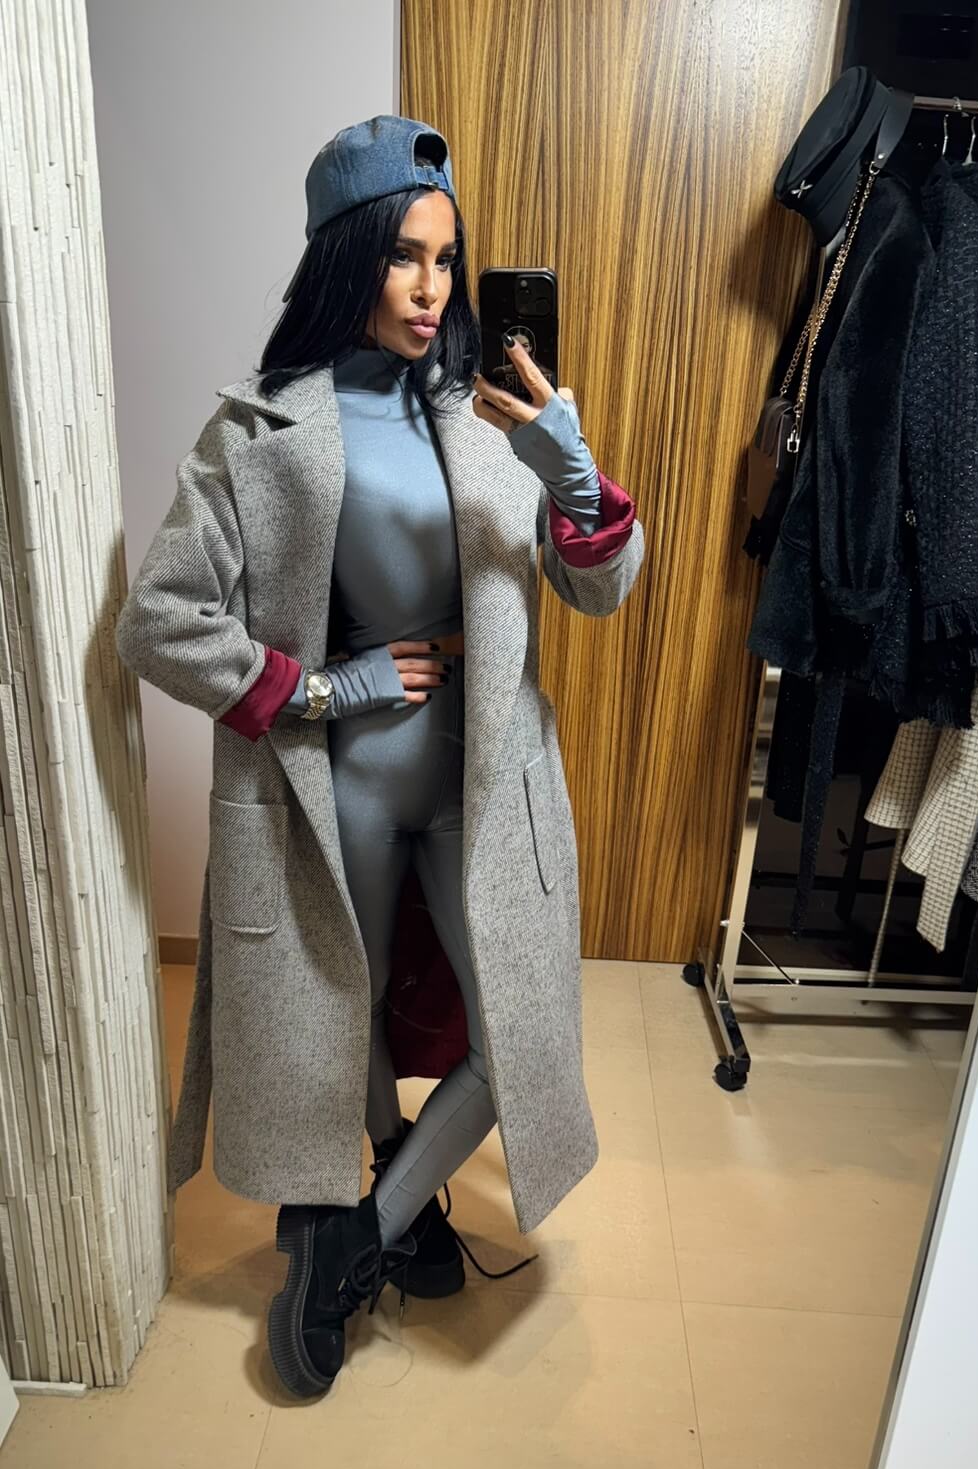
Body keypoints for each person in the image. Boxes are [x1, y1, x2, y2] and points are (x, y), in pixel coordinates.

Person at [115, 115, 644, 1400]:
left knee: (515, 1033)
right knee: (336, 1004)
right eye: (403, 256)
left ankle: (356, 1233)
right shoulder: (260, 429)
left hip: (487, 782)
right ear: (346, 259)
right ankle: (382, 1199)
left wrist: (574, 478)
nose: (430, 288)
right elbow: (158, 619)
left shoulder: (494, 418)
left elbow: (600, 592)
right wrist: (315, 687)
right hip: (337, 784)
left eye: (446, 259)